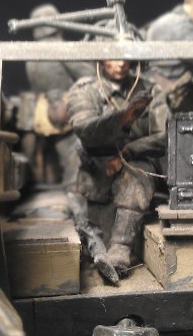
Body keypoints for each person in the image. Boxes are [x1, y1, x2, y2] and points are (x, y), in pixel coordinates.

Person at [67, 57, 169, 283]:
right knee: (93, 241)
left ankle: (121, 249)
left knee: (138, 174)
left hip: (137, 168)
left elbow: (165, 135)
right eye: (114, 57)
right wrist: (123, 118)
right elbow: (84, 129)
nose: (121, 64)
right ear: (101, 59)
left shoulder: (150, 89)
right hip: (97, 176)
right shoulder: (85, 90)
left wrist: (129, 152)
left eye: (126, 58)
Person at [22, 4, 94, 187]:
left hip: (42, 109)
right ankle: (73, 187)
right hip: (65, 107)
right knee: (73, 150)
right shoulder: (61, 48)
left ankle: (52, 182)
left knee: (52, 153)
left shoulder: (30, 54)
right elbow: (89, 75)